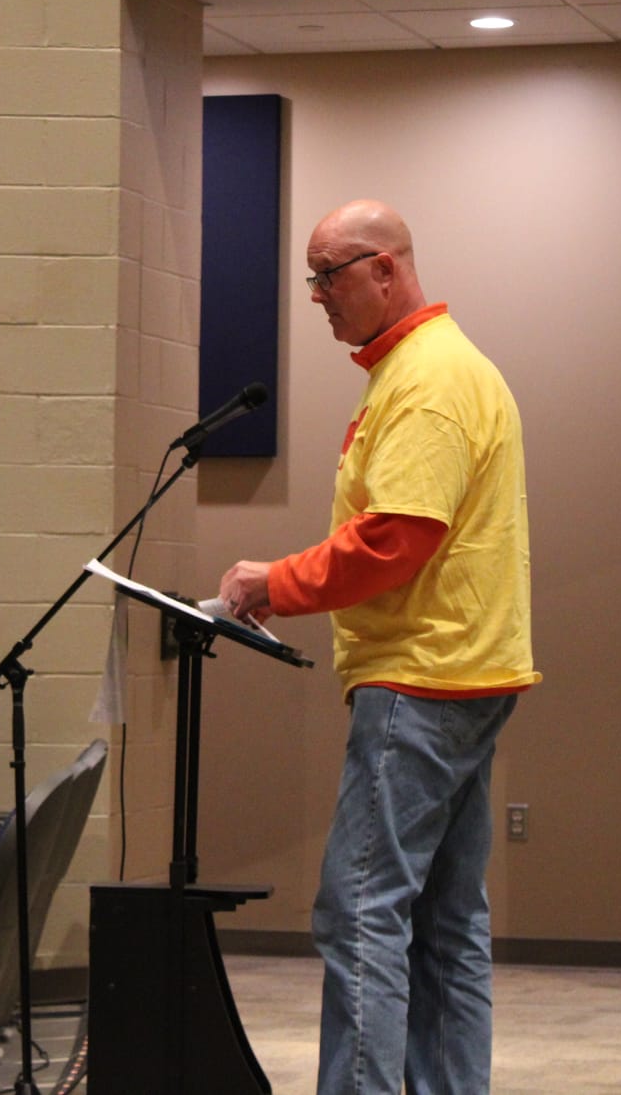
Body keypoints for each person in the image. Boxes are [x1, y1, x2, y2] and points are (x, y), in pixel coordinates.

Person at [215, 198, 536, 1095]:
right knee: (445, 924)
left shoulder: (426, 381)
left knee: (360, 912)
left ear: (386, 268)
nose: (316, 294)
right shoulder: (436, 366)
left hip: (422, 679)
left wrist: (272, 582)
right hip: (469, 674)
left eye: (329, 275)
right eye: (310, 277)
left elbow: (395, 538)